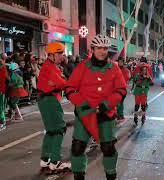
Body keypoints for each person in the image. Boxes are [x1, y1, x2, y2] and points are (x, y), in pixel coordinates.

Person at [65, 34, 127, 180]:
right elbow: (70, 88)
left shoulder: (114, 68)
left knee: (108, 148)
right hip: (85, 114)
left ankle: (111, 176)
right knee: (78, 147)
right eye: (99, 48)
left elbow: (121, 90)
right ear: (93, 49)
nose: (102, 51)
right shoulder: (82, 66)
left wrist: (106, 105)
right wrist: (82, 104)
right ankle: (79, 176)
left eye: (105, 48)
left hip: (106, 115)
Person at [37, 42, 71, 173]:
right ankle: (56, 162)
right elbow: (61, 83)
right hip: (49, 100)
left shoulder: (50, 66)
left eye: (62, 53)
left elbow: (58, 82)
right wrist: (72, 86)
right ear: (51, 55)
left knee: (51, 130)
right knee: (59, 129)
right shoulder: (50, 67)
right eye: (59, 53)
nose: (62, 56)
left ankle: (45, 159)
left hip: (45, 99)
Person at [116, 49, 130, 124]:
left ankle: (120, 115)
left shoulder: (126, 70)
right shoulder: (115, 69)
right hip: (115, 89)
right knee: (117, 103)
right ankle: (119, 115)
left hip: (122, 89)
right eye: (119, 61)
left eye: (121, 62)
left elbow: (126, 78)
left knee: (120, 103)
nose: (119, 63)